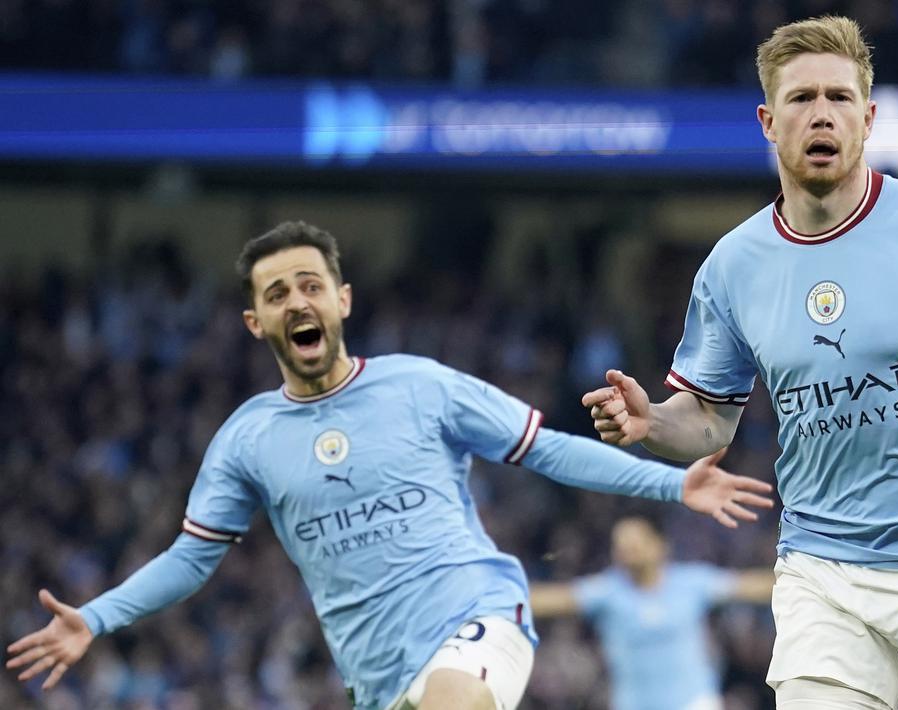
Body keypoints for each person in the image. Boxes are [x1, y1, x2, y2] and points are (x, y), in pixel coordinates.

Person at [4, 222, 775, 710]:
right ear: (256, 320)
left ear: (341, 299)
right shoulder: (246, 439)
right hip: (374, 674)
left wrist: (673, 481)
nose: (297, 301)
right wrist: (97, 617)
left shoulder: (422, 385)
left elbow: (547, 451)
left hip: (478, 615)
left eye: (311, 284)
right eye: (278, 293)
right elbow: (191, 559)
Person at [582, 15, 898, 710]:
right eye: (800, 99)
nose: (820, 114)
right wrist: (652, 424)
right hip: (824, 574)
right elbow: (707, 422)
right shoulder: (732, 267)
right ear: (768, 120)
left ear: (868, 117)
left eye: (838, 97)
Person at [530, 514, 774, 710]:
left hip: (695, 702)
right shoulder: (607, 592)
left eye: (636, 542)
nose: (628, 549)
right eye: (621, 545)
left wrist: (804, 580)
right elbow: (556, 599)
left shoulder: (690, 583)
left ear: (660, 545)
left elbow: (750, 586)